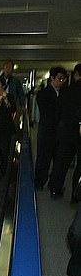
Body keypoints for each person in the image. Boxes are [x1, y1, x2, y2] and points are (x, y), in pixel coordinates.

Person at [49, 64, 81, 200]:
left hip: (66, 132)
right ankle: (76, 194)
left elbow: (58, 112)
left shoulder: (66, 90)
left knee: (61, 162)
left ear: (76, 74)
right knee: (80, 166)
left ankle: (55, 189)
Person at [34, 67, 67, 191]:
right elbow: (47, 114)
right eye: (60, 78)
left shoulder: (64, 93)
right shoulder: (43, 94)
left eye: (64, 79)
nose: (62, 81)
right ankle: (39, 182)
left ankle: (54, 184)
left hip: (60, 133)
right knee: (43, 158)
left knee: (58, 160)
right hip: (47, 132)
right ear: (52, 78)